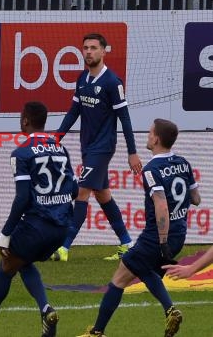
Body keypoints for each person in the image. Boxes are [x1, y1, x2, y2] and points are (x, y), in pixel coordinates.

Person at [77, 118, 201, 337]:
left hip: (157, 237)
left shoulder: (152, 169)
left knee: (119, 277)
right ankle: (170, 310)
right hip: (179, 234)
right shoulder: (183, 163)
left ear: (156, 138)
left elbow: (161, 204)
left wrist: (162, 241)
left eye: (150, 132)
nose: (148, 135)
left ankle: (96, 333)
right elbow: (196, 198)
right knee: (144, 270)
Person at [0, 101, 78, 337]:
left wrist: (5, 233)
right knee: (23, 261)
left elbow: (22, 198)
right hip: (61, 229)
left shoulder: (22, 153)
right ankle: (46, 311)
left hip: (37, 226)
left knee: (6, 265)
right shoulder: (60, 149)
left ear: (25, 120)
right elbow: (75, 190)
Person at [51, 33, 143, 262]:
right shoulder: (82, 79)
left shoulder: (112, 82)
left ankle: (64, 247)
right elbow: (74, 112)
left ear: (104, 51)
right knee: (103, 195)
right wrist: (57, 137)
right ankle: (127, 243)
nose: (89, 52)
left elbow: (125, 118)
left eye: (93, 48)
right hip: (87, 146)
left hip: (103, 147)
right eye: (85, 48)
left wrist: (132, 152)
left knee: (82, 192)